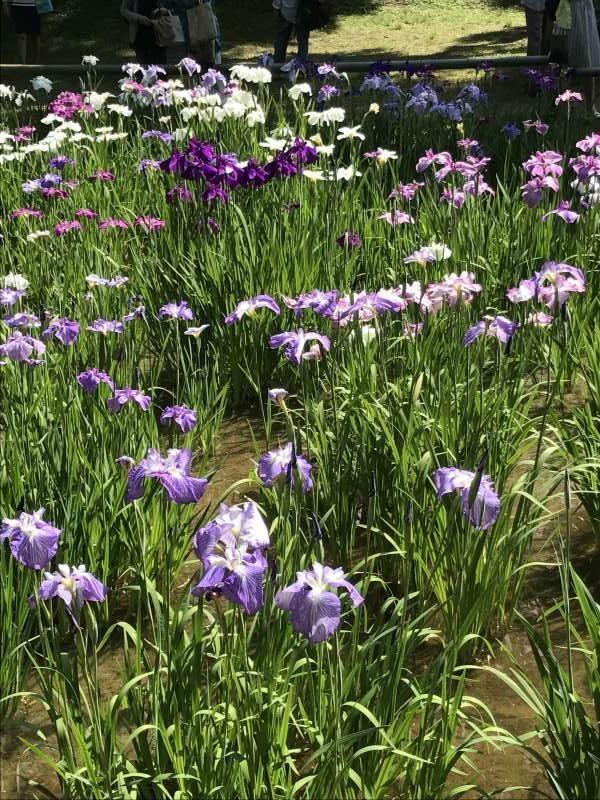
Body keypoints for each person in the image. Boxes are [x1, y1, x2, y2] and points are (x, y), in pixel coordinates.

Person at [569, 0, 600, 113]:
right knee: (563, 58)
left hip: (584, 10)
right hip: (566, 11)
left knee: (588, 56)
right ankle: (560, 103)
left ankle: (590, 105)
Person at [121, 0, 168, 65]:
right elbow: (123, 10)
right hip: (140, 36)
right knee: (144, 68)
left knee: (161, 67)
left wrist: (163, 11)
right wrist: (138, 18)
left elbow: (168, 6)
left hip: (159, 35)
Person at [2, 0, 41, 64]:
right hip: (18, 6)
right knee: (21, 35)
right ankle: (23, 64)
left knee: (35, 36)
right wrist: (5, 3)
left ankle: (35, 62)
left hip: (36, 5)